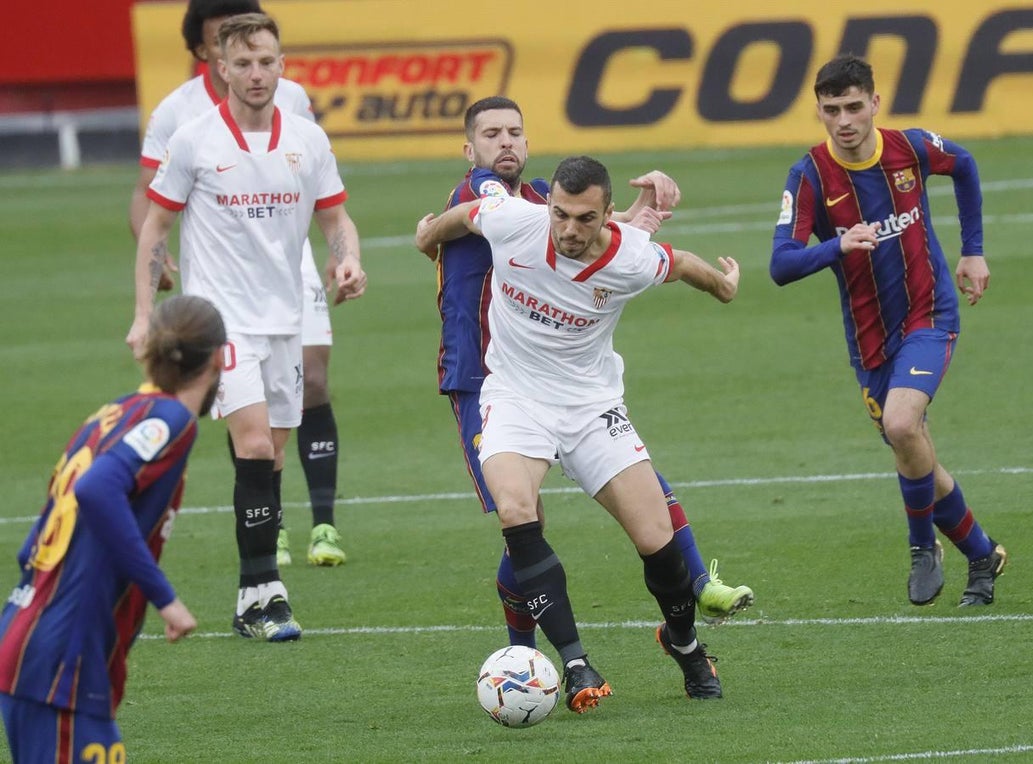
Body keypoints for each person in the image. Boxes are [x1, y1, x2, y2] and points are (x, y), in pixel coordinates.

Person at [425, 96, 753, 649]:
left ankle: (694, 582)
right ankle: (524, 654)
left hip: (564, 380)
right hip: (483, 374)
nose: (504, 142)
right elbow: (482, 221)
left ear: (529, 144)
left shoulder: (539, 201)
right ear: (469, 149)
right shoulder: (483, 193)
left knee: (632, 476)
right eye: (491, 134)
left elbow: (588, 232)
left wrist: (634, 216)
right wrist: (427, 234)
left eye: (514, 132)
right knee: (523, 524)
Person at [126, 12, 367, 641]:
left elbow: (336, 218)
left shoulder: (308, 139)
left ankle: (250, 595)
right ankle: (271, 595)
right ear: (221, 68)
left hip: (286, 315)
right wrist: (145, 316)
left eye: (267, 61)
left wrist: (348, 260)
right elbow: (155, 228)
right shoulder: (196, 140)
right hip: (220, 321)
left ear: (281, 64)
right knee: (255, 444)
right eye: (243, 63)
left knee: (270, 456)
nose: (257, 74)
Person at [770, 54, 1007, 607]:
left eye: (854, 107)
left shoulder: (912, 148)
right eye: (832, 110)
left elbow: (965, 165)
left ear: (875, 103)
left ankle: (923, 549)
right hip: (870, 341)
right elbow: (781, 264)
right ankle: (983, 552)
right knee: (913, 447)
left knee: (903, 425)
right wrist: (837, 245)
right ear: (820, 112)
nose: (844, 120)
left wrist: (973, 251)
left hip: (930, 315)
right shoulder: (808, 175)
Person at [0, 295, 225, 764]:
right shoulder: (173, 420)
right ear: (220, 358)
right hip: (63, 658)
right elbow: (98, 488)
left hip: (29, 636)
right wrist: (167, 599)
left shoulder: (116, 412)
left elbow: (34, 540)